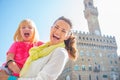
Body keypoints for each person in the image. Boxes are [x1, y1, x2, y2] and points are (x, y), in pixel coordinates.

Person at [0, 16, 77, 80]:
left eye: (63, 31)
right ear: (51, 28)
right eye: (56, 27)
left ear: (67, 36)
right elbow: (10, 57)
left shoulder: (60, 53)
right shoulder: (42, 48)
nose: (57, 32)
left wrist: (9, 78)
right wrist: (10, 64)